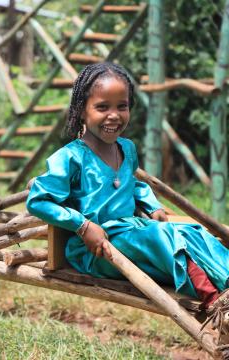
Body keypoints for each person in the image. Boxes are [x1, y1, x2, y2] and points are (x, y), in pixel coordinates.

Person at [26, 62, 229, 332]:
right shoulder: (70, 157)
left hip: (132, 233)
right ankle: (214, 300)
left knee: (192, 232)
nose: (114, 116)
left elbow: (132, 185)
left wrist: (151, 204)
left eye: (122, 106)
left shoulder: (127, 149)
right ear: (81, 111)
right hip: (97, 248)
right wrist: (83, 226)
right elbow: (38, 201)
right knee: (167, 238)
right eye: (102, 107)